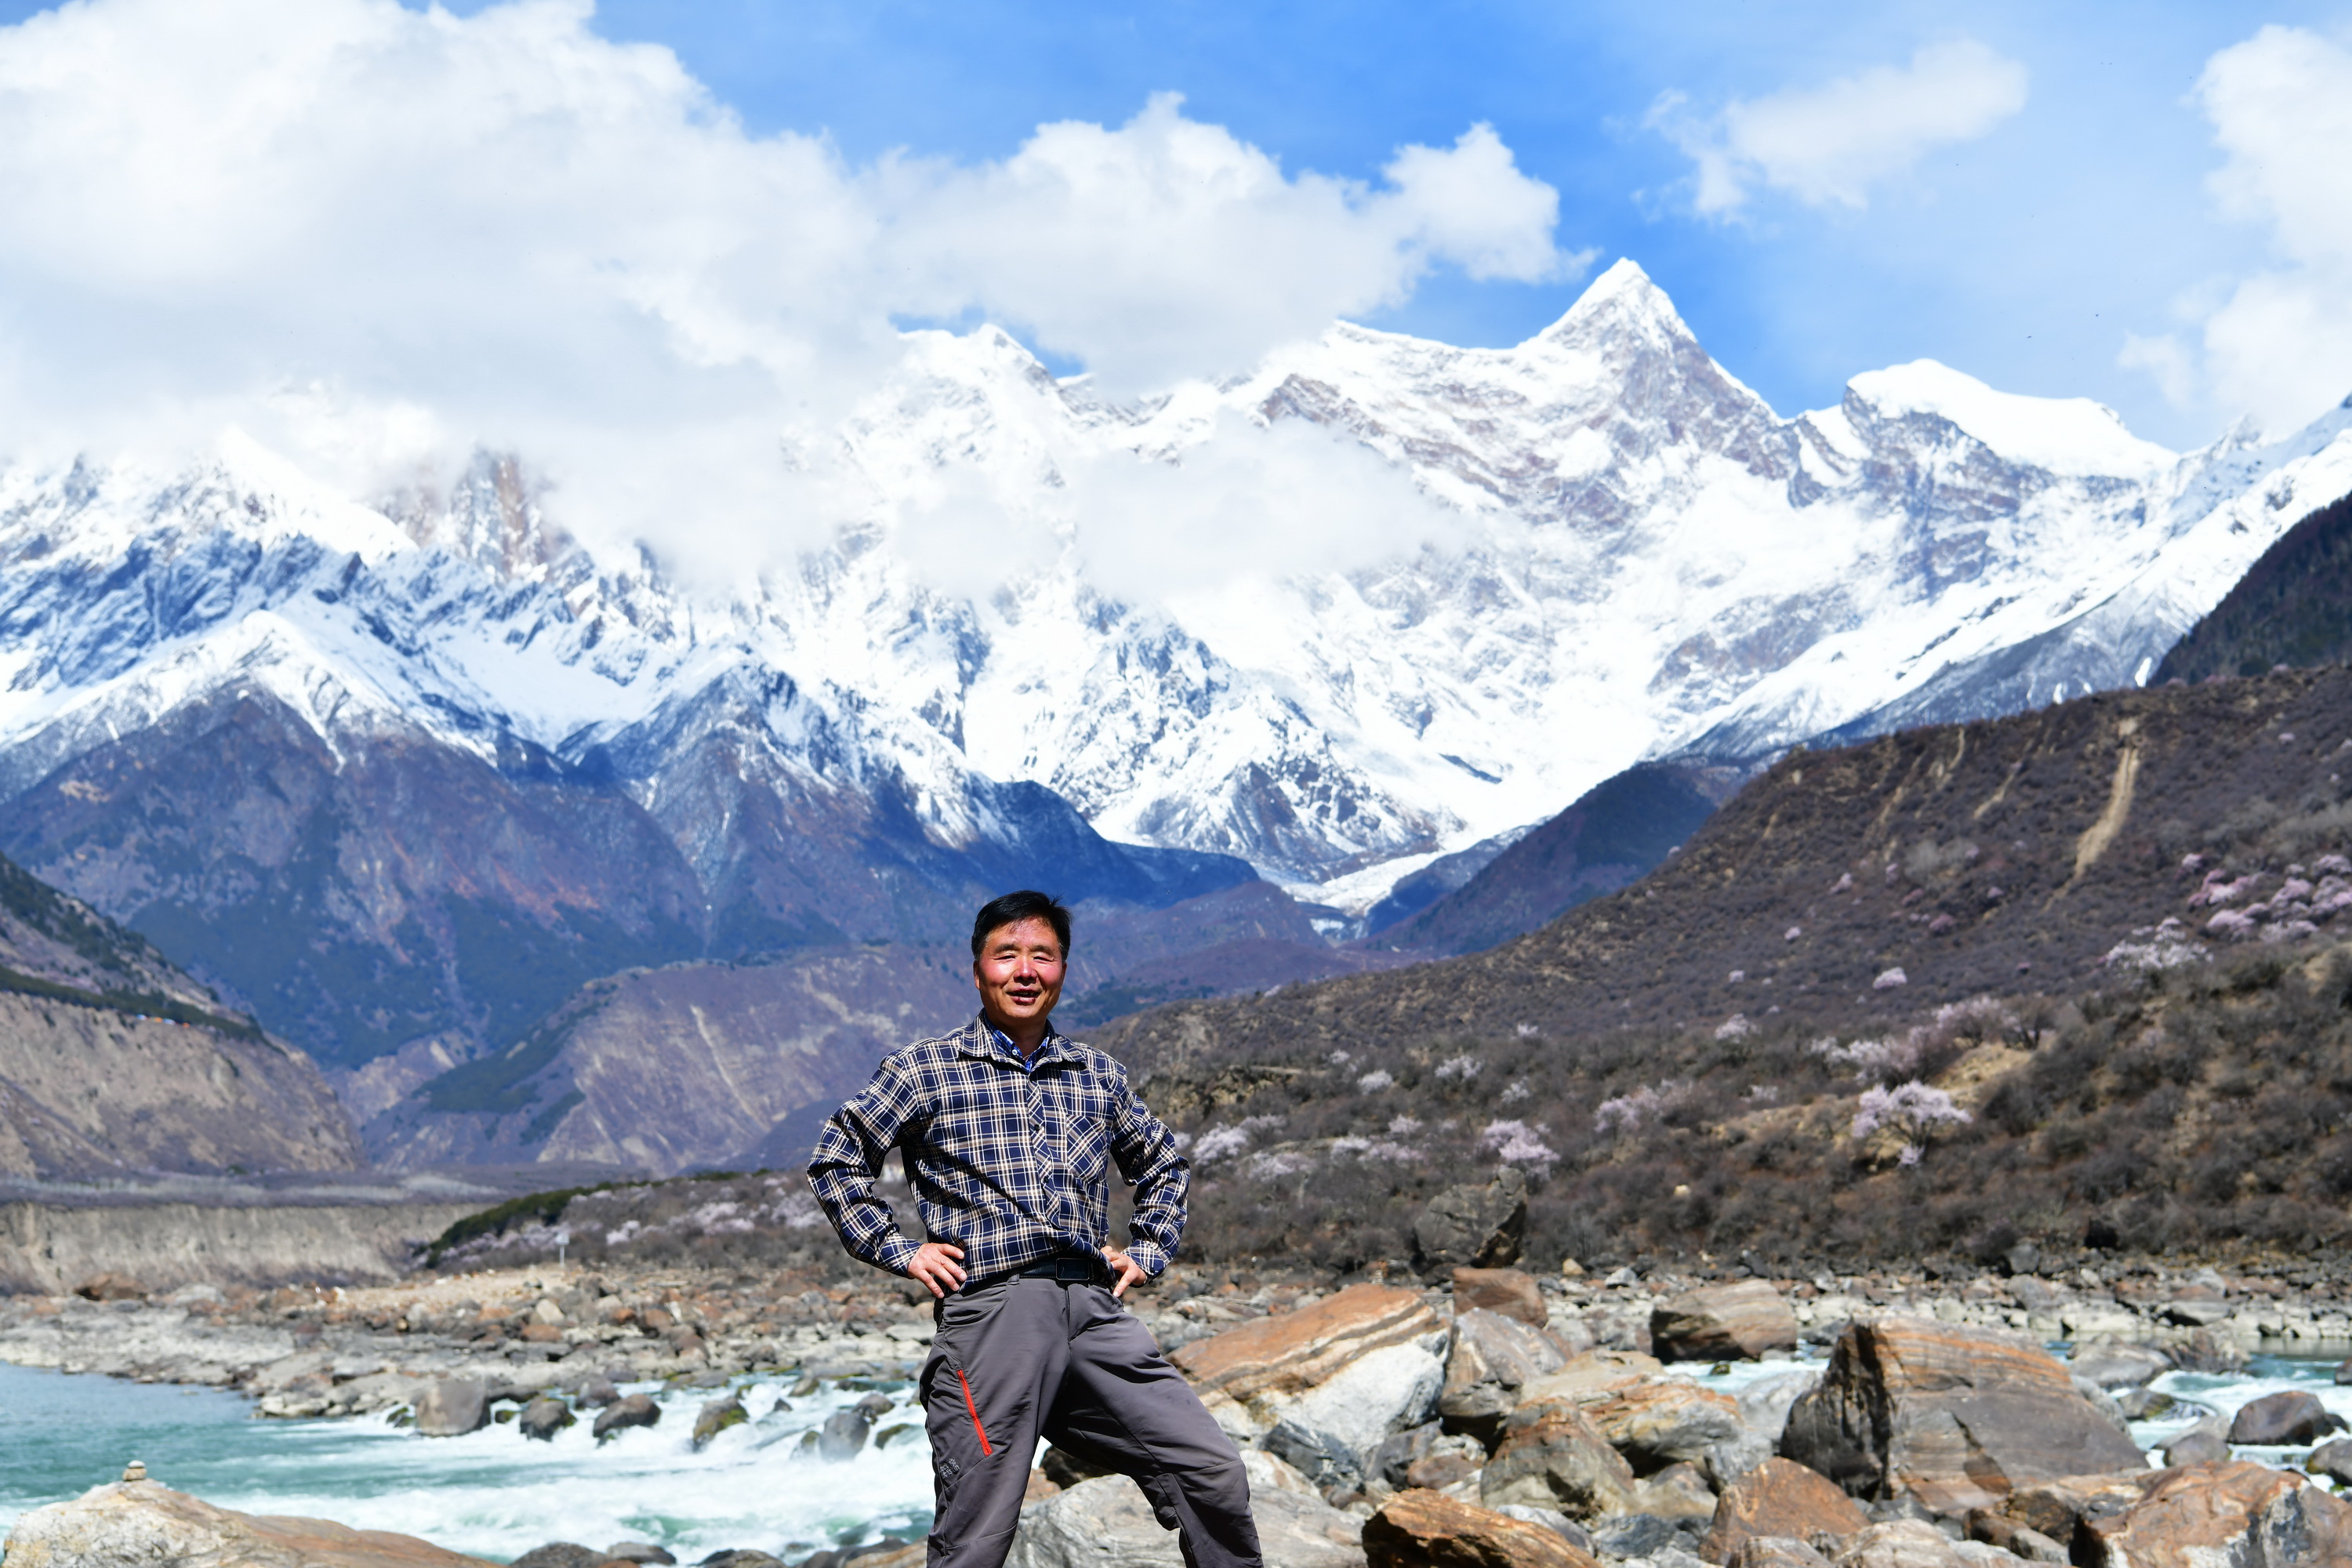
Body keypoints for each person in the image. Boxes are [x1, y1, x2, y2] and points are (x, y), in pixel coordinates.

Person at [808, 890, 1262, 1568]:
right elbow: (837, 1159)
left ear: (1063, 970)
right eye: (1007, 955)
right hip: (995, 1315)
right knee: (979, 1531)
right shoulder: (924, 1068)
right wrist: (900, 1250)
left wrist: (1148, 1249)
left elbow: (1165, 1164)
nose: (1025, 971)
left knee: (1211, 1471)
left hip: (1094, 1312)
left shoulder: (1096, 1074)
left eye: (1042, 956)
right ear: (977, 969)